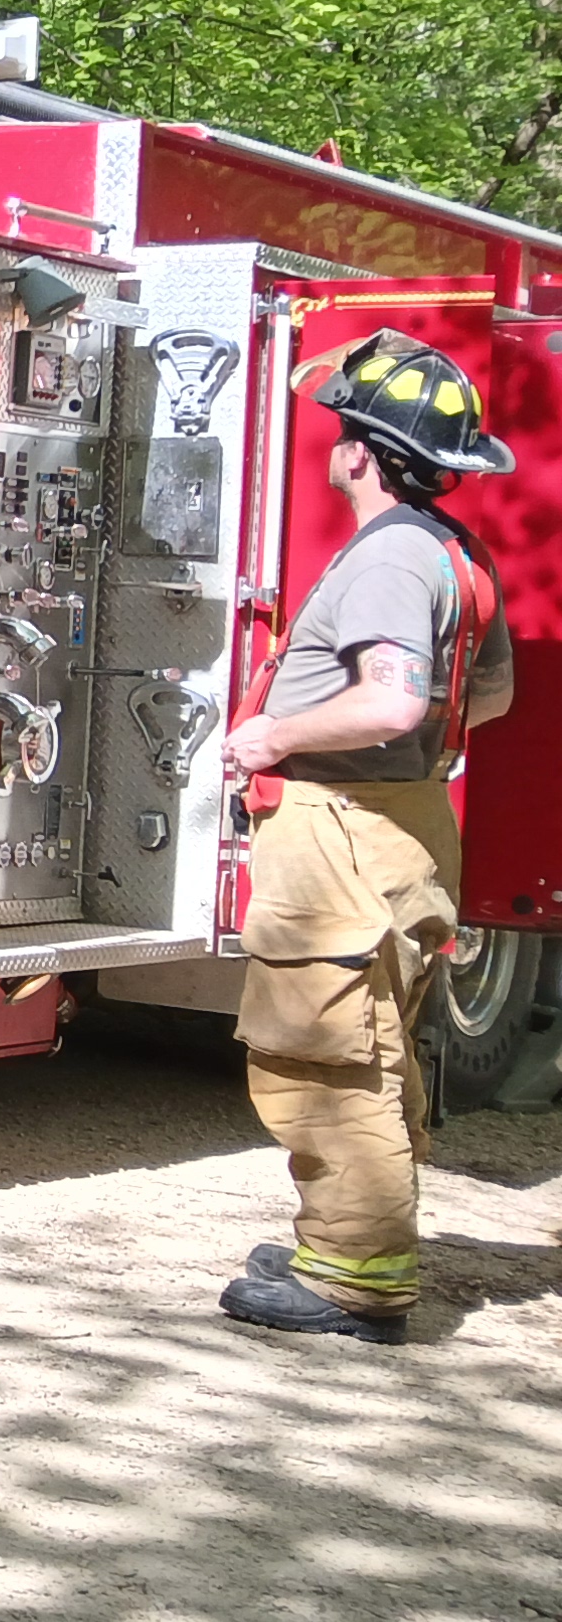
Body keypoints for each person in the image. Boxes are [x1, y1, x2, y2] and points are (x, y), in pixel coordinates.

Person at [213, 331, 517, 1344]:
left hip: (344, 831)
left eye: (344, 430)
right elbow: (491, 695)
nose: (334, 444)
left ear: (364, 454)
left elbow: (389, 700)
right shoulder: (455, 552)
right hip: (406, 825)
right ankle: (345, 1239)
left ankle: (355, 1279)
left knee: (327, 1051)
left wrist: (272, 736)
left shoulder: (390, 555)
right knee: (376, 1045)